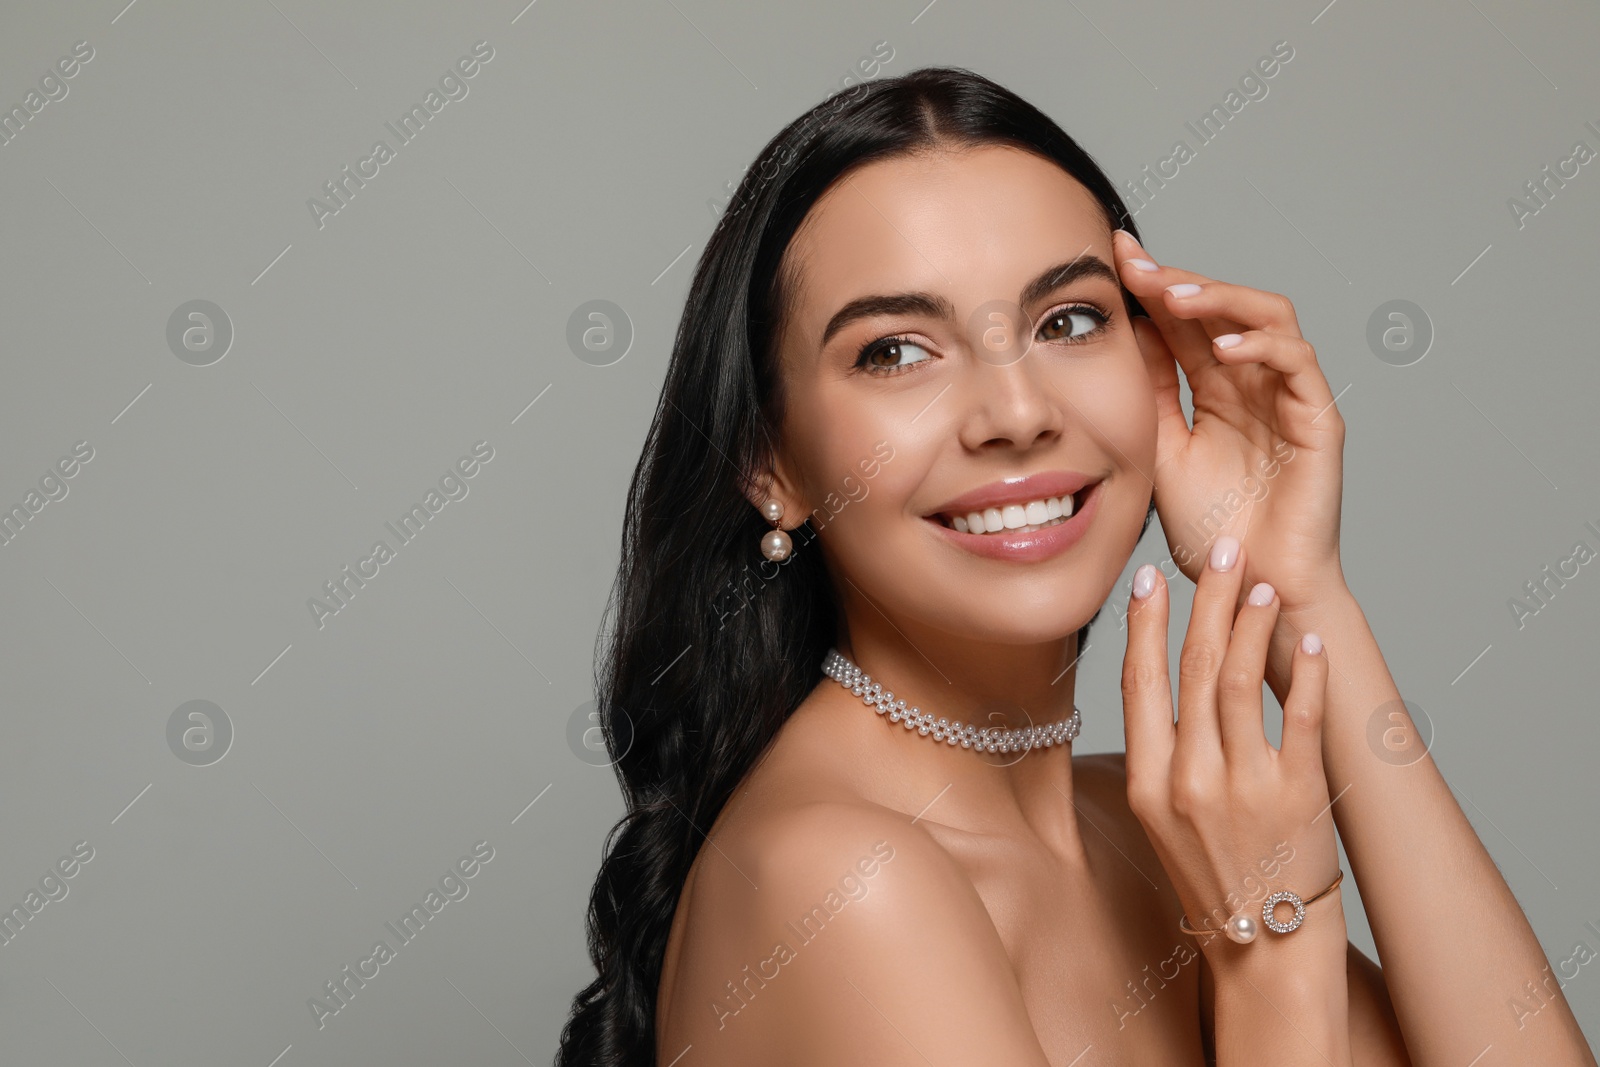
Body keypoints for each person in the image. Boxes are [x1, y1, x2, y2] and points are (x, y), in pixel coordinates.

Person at [554, 66, 1595, 1066]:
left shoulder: (1144, 832)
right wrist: (1269, 949)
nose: (1015, 413)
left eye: (1069, 320)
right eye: (897, 351)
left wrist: (1299, 592)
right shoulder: (841, 883)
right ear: (767, 462)